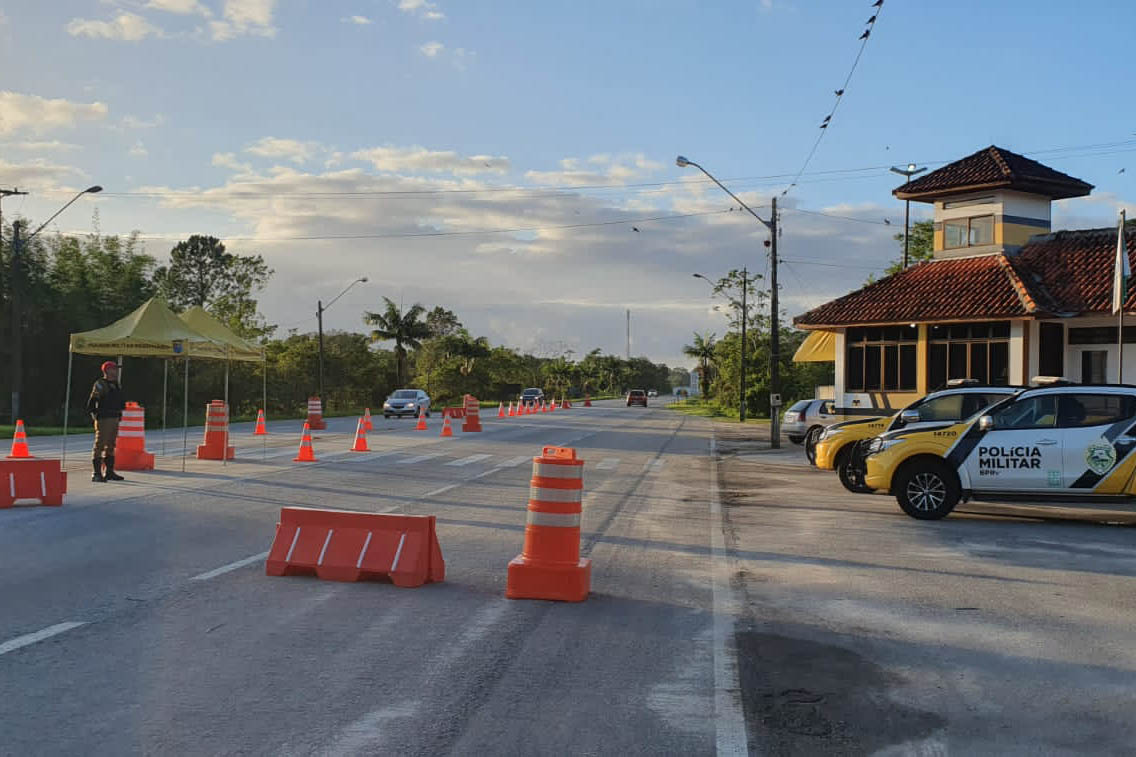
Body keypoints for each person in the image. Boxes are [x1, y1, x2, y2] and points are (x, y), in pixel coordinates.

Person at [87, 360, 126, 482]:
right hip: (104, 418)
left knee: (111, 445)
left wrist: (120, 414)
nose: (116, 371)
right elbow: (93, 401)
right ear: (107, 370)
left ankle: (109, 471)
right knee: (100, 445)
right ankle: (97, 473)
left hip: (114, 417)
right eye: (114, 369)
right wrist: (95, 415)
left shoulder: (116, 384)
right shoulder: (100, 384)